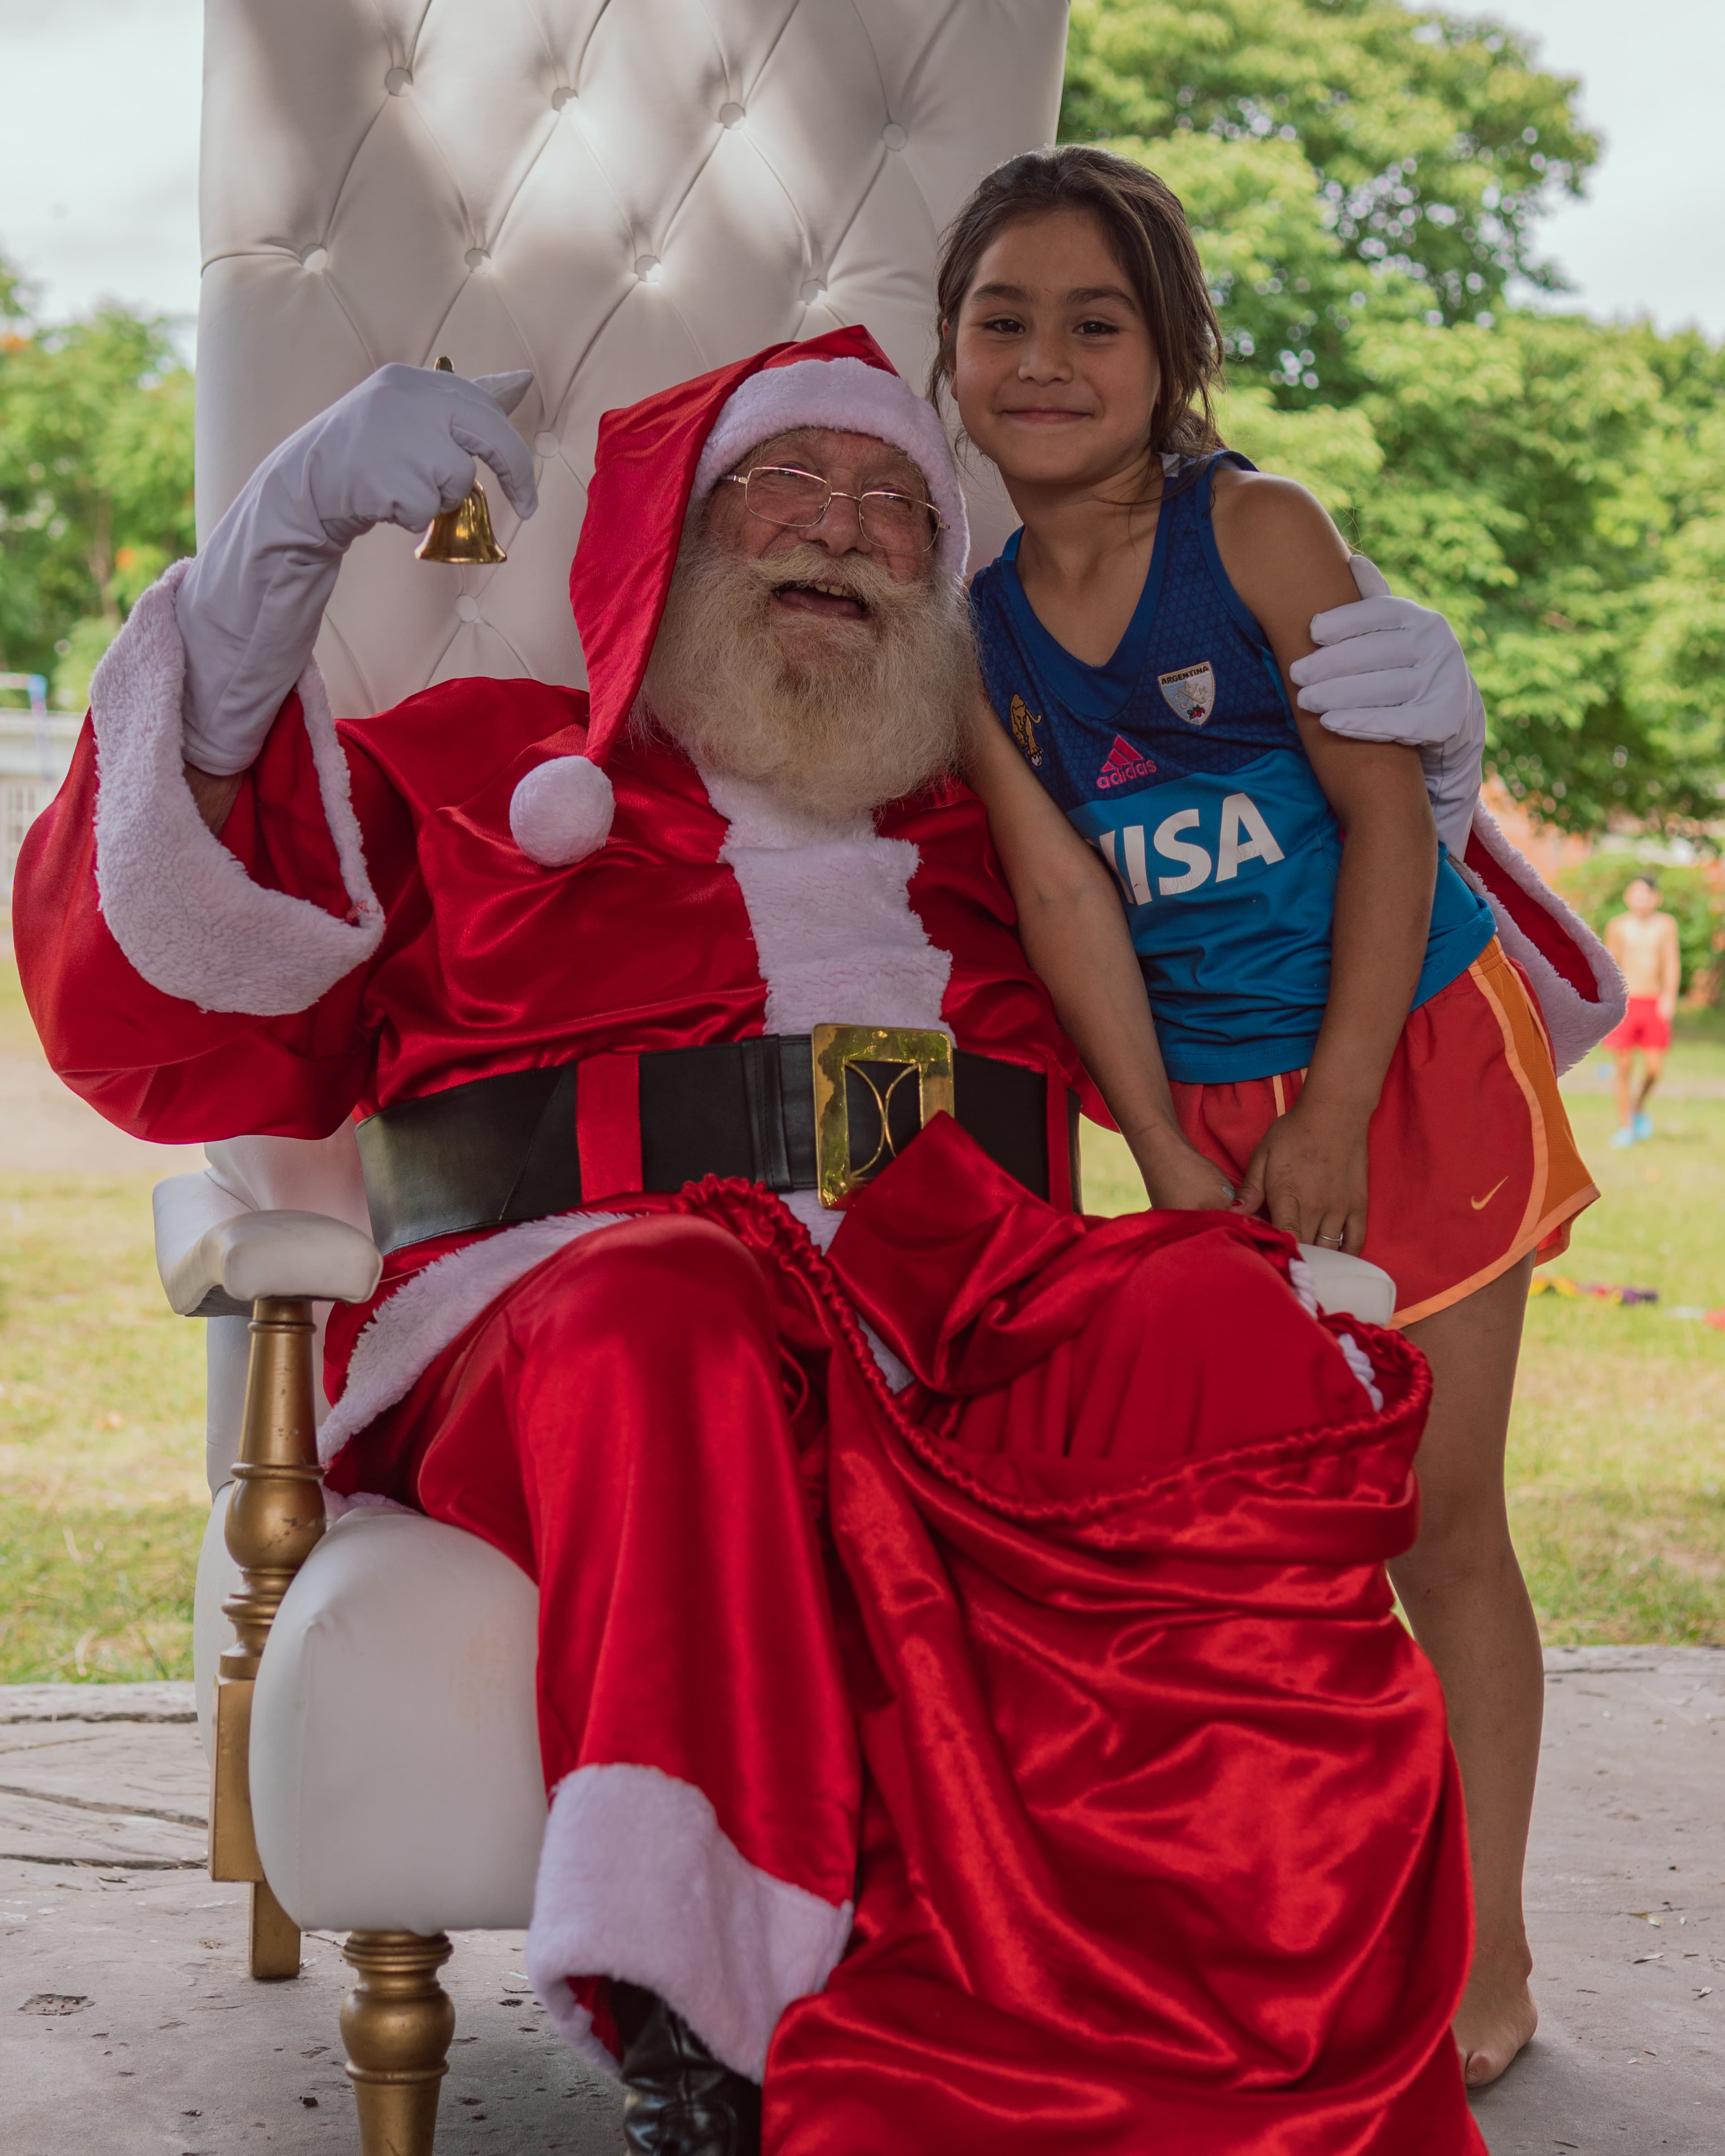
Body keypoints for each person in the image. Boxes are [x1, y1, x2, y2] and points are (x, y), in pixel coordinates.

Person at [17, 328, 1593, 2156]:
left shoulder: (1011, 833)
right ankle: (706, 2008)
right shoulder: (480, 773)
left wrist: (1416, 793)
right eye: (786, 485)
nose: (841, 529)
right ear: (678, 547)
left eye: (894, 506)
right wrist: (275, 540)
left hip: (962, 1313)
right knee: (672, 1301)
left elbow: (1316, 983)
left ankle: (1257, 1996)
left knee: (1228, 1325)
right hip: (575, 1314)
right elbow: (161, 989)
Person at [933, 146, 1617, 2088]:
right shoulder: (976, 630)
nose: (1043, 361)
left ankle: (1489, 1960)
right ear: (948, 350)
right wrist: (1160, 1146)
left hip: (1404, 1057)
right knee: (1256, 1551)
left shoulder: (1257, 531)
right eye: (1001, 320)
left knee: (1433, 1523)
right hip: (1210, 1112)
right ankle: (1302, 1931)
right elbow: (1060, 895)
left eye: (1095, 323)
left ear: (1171, 353)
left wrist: (1333, 1110)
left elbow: (1391, 822)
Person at [1603, 876, 1681, 1145]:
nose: (1642, 899)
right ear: (1628, 896)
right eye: (1636, 894)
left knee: (1654, 1070)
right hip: (1626, 1003)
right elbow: (1610, 965)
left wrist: (1670, 997)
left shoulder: (1666, 925)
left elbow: (1671, 962)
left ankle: (1637, 1107)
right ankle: (1626, 1128)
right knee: (1624, 1068)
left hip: (1654, 1002)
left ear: (1656, 898)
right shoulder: (1618, 926)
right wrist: (1610, 1001)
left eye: (1647, 894)